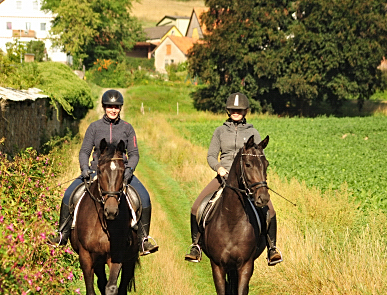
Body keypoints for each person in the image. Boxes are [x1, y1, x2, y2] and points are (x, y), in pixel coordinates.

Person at [49, 89, 158, 255]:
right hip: (95, 172)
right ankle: (62, 235)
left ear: (120, 108)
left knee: (144, 197)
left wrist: (129, 170)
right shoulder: (94, 128)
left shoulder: (128, 128)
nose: (113, 110)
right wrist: (85, 168)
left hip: (121, 174)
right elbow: (84, 151)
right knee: (68, 195)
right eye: (109, 106)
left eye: (116, 107)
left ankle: (143, 240)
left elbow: (134, 154)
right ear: (104, 107)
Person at [184, 92, 282, 266]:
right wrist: (219, 168)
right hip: (224, 176)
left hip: (248, 179)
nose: (236, 112)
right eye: (233, 109)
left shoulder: (252, 132)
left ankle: (272, 248)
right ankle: (196, 246)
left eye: (239, 109)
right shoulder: (220, 131)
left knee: (271, 212)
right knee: (196, 207)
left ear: (245, 111)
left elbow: (259, 157)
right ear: (228, 111)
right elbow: (211, 156)